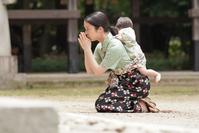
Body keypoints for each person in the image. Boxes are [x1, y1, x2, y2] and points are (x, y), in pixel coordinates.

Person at [78, 11, 159, 113]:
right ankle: (136, 102)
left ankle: (143, 105)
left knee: (102, 105)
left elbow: (98, 72)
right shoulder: (100, 47)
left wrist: (87, 49)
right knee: (101, 102)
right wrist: (86, 50)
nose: (85, 32)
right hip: (121, 82)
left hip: (135, 83)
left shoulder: (115, 46)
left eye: (87, 29)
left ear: (100, 29)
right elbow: (90, 71)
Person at [114, 17, 161, 83]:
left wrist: (119, 37)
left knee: (144, 71)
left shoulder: (128, 32)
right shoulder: (124, 33)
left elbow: (129, 39)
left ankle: (156, 74)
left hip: (138, 57)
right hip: (133, 57)